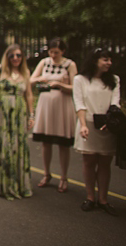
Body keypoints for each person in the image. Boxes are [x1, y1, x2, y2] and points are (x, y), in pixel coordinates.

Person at [0, 44, 34, 200]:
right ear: (7, 57)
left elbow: (29, 95)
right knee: (3, 145)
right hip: (2, 114)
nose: (16, 58)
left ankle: (18, 183)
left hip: (19, 113)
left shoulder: (25, 72)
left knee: (17, 146)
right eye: (12, 56)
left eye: (19, 55)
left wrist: (31, 115)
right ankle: (0, 182)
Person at [73, 48, 120, 216]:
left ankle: (103, 199)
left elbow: (116, 103)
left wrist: (110, 120)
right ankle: (90, 197)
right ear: (95, 61)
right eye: (105, 60)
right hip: (88, 124)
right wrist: (83, 124)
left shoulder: (114, 80)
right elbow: (79, 103)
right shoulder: (80, 80)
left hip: (107, 126)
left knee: (105, 163)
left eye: (110, 60)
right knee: (89, 162)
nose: (109, 63)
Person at [30, 38, 78, 193]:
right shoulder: (44, 62)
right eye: (51, 52)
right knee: (46, 142)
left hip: (62, 104)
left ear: (62, 51)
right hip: (46, 104)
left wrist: (60, 85)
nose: (53, 55)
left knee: (63, 143)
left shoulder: (70, 65)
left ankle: (63, 177)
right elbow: (31, 80)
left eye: (56, 52)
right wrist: (40, 79)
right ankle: (46, 173)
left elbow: (76, 87)